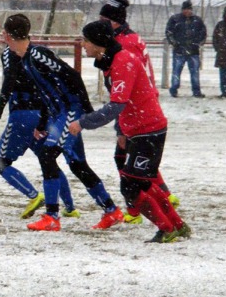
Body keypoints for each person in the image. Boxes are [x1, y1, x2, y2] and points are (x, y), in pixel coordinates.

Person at [69, 20, 191, 243]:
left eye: (86, 40)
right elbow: (125, 102)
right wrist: (123, 131)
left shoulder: (122, 61)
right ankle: (177, 226)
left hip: (148, 130)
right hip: (137, 129)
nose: (83, 44)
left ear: (99, 43)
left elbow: (117, 104)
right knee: (144, 183)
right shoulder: (112, 60)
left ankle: (167, 228)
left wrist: (83, 122)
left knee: (131, 186)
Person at [1, 13, 122, 231]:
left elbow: (72, 76)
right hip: (60, 114)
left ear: (5, 35)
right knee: (77, 165)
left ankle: (52, 216)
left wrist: (84, 110)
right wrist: (42, 123)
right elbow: (47, 93)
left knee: (48, 156)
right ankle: (111, 210)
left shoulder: (37, 55)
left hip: (69, 111)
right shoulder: (27, 59)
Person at [97, 0, 179, 228]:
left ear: (114, 21)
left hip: (136, 108)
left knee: (127, 161)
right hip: (135, 106)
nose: (101, 22)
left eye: (104, 18)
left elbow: (126, 85)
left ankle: (142, 206)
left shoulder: (125, 44)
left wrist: (119, 123)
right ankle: (155, 199)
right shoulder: (126, 38)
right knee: (132, 161)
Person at [0, 39, 80, 222]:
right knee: (49, 162)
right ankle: (70, 207)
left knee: (1, 163)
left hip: (21, 115)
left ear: (10, 35)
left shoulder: (9, 53)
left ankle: (34, 196)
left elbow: (8, 82)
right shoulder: (37, 53)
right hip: (42, 115)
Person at [165, 0, 207, 98]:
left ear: (191, 10)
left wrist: (198, 43)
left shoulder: (194, 20)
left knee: (192, 72)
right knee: (178, 71)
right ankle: (174, 89)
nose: (187, 11)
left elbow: (203, 33)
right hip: (181, 50)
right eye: (185, 9)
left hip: (192, 50)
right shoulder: (176, 19)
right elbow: (169, 32)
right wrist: (175, 43)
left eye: (188, 9)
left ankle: (195, 90)